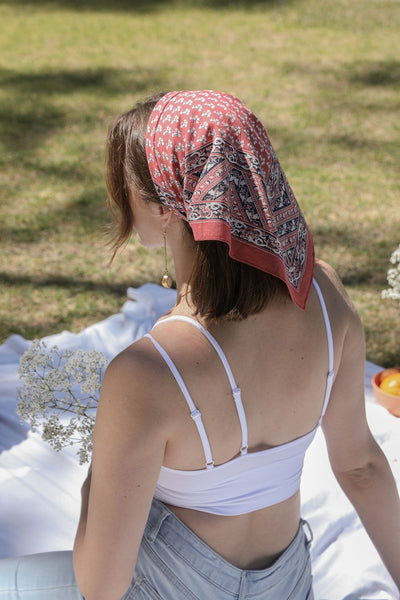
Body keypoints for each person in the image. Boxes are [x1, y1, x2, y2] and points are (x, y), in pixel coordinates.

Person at [0, 90, 399, 600]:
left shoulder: (149, 373)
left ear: (163, 205)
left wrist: (98, 477)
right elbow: (361, 466)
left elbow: (101, 586)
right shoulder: (324, 298)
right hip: (288, 585)